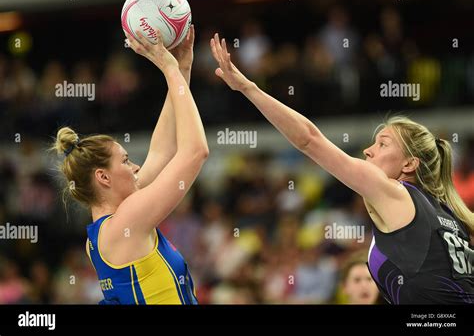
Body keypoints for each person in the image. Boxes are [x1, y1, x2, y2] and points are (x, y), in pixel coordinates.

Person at [209, 33, 474, 304]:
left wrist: (247, 87)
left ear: (409, 163)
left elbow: (309, 139)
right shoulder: (454, 218)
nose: (368, 150)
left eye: (382, 144)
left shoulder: (394, 191)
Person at [52, 26, 208, 304]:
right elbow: (195, 152)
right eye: (125, 161)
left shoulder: (102, 235)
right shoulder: (127, 221)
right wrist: (169, 70)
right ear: (103, 177)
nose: (136, 167)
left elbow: (162, 151)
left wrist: (181, 71)